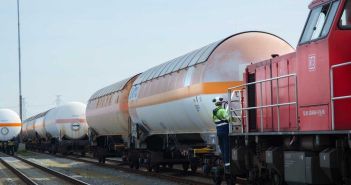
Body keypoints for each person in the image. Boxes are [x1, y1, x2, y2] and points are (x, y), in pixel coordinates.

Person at [212, 97, 230, 168]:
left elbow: (214, 121)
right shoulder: (222, 110)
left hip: (218, 131)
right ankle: (227, 164)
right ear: (221, 103)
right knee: (226, 147)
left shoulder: (213, 112)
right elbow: (228, 118)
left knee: (222, 147)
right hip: (225, 130)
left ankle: (225, 162)